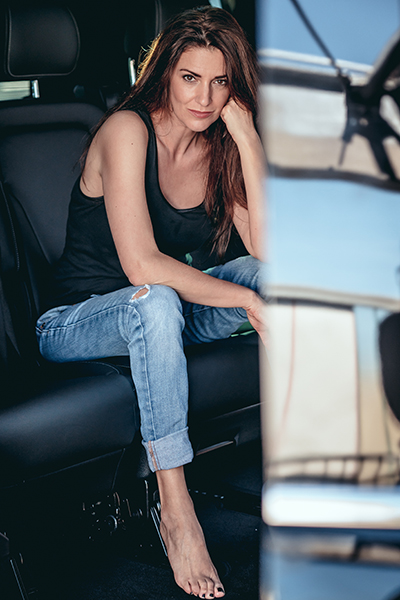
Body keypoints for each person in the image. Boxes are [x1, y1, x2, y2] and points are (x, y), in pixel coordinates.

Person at [36, 6, 266, 599]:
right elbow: (141, 267)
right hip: (76, 322)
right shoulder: (126, 130)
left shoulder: (220, 144)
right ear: (165, 73)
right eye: (190, 77)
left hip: (160, 319)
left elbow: (268, 252)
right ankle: (177, 509)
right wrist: (244, 300)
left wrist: (246, 138)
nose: (205, 98)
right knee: (156, 298)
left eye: (220, 82)